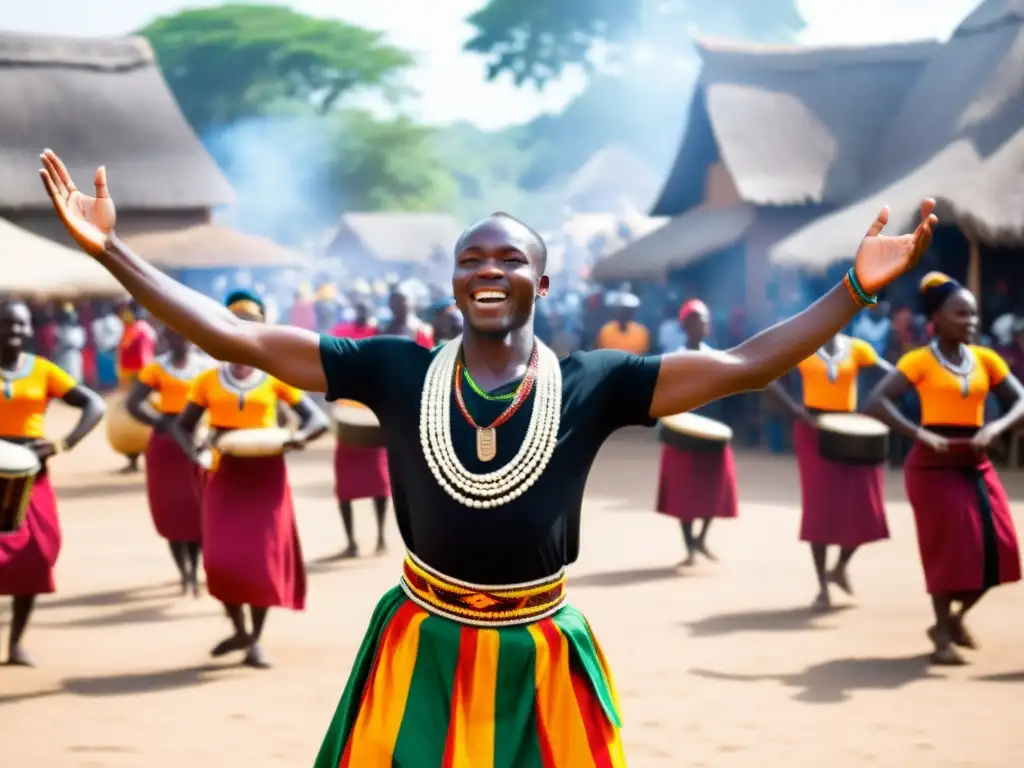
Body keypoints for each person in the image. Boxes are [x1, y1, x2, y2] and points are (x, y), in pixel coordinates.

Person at [38, 151, 935, 764]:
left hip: (541, 649)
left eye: (511, 257)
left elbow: (745, 365)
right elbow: (238, 339)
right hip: (419, 640)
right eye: (472, 257)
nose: (490, 268)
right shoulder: (391, 368)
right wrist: (111, 250)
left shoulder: (598, 381)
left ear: (543, 282)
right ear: (454, 281)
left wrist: (854, 288)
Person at [866, 272, 1024, 665]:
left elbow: (1021, 400)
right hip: (932, 465)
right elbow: (875, 402)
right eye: (961, 314)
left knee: (1000, 550)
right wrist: (920, 434)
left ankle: (951, 620)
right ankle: (941, 636)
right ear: (936, 317)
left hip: (975, 461)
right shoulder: (918, 359)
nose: (972, 322)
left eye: (973, 315)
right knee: (946, 553)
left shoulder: (987, 359)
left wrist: (996, 428)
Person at [168, 290, 328, 668]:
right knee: (221, 560)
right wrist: (197, 454)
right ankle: (238, 626)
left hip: (268, 476)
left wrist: (296, 439)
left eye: (251, 326)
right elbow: (182, 426)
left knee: (262, 561)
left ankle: (253, 639)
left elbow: (318, 420)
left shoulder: (275, 378)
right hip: (225, 474)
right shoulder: (208, 380)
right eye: (235, 326)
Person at [0, 300, 105, 665]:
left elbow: (94, 405)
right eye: (6, 324)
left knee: (36, 555)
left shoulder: (43, 370)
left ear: (30, 330)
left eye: (20, 325)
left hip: (30, 473)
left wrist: (63, 443)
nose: (13, 331)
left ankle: (15, 644)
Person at [768, 331, 894, 610]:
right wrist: (795, 411)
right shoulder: (803, 345)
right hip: (814, 431)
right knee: (820, 507)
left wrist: (873, 405)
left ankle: (839, 568)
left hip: (851, 429)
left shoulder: (859, 349)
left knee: (865, 504)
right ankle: (822, 587)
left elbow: (894, 376)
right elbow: (768, 378)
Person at [125, 327, 212, 595]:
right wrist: (160, 421)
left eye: (184, 333)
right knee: (172, 511)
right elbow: (133, 403)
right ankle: (184, 572)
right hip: (166, 448)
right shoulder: (156, 369)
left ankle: (195, 568)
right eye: (173, 334)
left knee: (198, 508)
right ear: (165, 339)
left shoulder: (207, 368)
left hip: (198, 442)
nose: (180, 338)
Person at [655, 300, 738, 565]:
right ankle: (689, 544)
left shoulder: (715, 357)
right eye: (697, 320)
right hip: (682, 433)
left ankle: (701, 538)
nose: (702, 325)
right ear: (685, 325)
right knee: (684, 493)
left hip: (710, 430)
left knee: (713, 488)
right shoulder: (673, 359)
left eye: (705, 321)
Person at [329, 301, 391, 558]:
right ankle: (351, 541)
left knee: (379, 483)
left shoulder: (381, 337)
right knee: (345, 488)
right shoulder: (341, 332)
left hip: (373, 420)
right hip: (349, 423)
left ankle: (380, 536)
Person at [115, 299, 157, 473]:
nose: (124, 314)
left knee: (140, 421)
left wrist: (141, 384)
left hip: (139, 383)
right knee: (128, 422)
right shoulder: (131, 329)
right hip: (130, 382)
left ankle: (146, 458)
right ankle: (132, 459)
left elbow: (144, 359)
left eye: (127, 311)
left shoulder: (141, 330)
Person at [596, 290, 650, 354]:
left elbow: (643, 353)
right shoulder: (606, 330)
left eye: (628, 310)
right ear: (616, 310)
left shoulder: (641, 332)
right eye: (622, 310)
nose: (624, 313)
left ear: (632, 312)